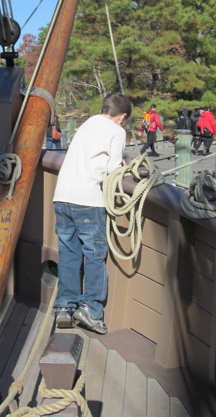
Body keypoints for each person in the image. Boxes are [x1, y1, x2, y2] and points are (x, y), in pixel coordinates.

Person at [52, 92, 131, 334]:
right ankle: (90, 309)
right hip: (88, 200)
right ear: (123, 116)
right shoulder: (117, 131)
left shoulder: (86, 124)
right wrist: (122, 168)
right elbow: (111, 169)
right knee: (95, 254)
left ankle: (65, 307)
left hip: (62, 197)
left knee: (68, 252)